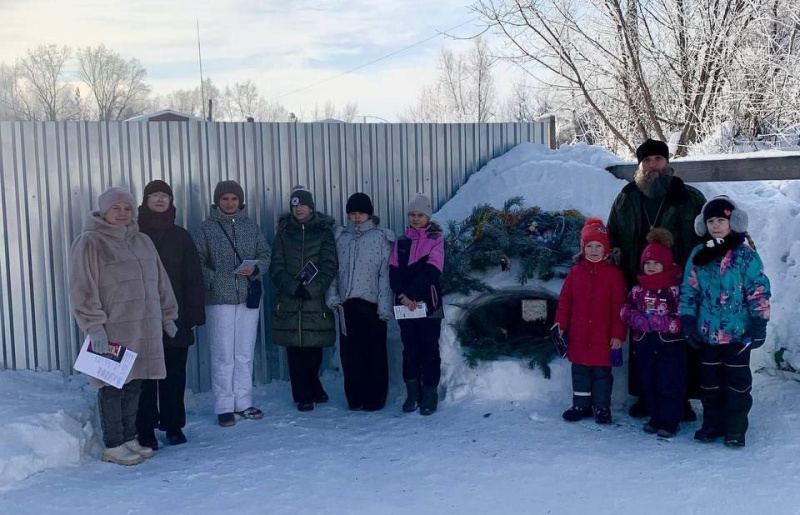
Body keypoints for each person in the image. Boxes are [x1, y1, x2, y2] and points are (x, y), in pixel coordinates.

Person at [69, 187, 178, 466]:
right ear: (104, 210)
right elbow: (83, 288)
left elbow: (160, 282)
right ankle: (114, 443)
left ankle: (130, 437)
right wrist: (94, 326)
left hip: (145, 328)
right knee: (112, 386)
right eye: (116, 208)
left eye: (127, 209)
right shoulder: (90, 242)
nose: (122, 214)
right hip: (113, 328)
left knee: (135, 385)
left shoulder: (142, 241)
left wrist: (168, 316)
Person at [607, 138, 706, 420]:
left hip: (679, 284)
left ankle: (682, 399)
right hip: (639, 283)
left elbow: (707, 233)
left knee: (678, 345)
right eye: (647, 161)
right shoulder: (627, 197)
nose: (653, 166)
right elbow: (613, 231)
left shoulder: (689, 196)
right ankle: (644, 397)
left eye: (658, 160)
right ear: (640, 165)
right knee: (643, 343)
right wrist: (615, 255)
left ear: (667, 163)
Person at [680, 196, 770, 447]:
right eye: (710, 220)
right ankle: (712, 424)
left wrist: (759, 323)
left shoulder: (745, 256)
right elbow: (690, 289)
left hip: (738, 334)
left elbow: (758, 290)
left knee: (737, 384)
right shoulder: (699, 254)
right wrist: (687, 320)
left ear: (734, 221)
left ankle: (735, 428)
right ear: (703, 224)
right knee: (709, 384)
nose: (716, 225)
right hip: (707, 333)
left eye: (722, 219)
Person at [194, 180, 271, 427]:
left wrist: (256, 269)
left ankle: (243, 402)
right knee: (223, 354)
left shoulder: (251, 226)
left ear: (240, 201)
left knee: (244, 353)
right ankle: (224, 406)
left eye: (234, 199)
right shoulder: (206, 228)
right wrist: (216, 280)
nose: (229, 203)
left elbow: (265, 254)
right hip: (219, 299)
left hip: (248, 297)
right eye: (225, 198)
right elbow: (197, 260)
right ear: (217, 201)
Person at [135, 180, 205, 448]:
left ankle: (173, 425)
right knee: (145, 375)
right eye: (154, 196)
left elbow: (193, 278)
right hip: (143, 318)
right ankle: (146, 429)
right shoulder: (135, 235)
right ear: (146, 201)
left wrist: (194, 316)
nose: (160, 200)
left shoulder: (181, 236)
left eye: (165, 196)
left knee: (174, 374)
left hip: (177, 317)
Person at [270, 186, 339, 412]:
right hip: (290, 299)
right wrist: (291, 286)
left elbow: (330, 264)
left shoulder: (323, 232)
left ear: (311, 207)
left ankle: (314, 385)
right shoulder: (283, 233)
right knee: (295, 349)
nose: (298, 209)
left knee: (313, 347)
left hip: (314, 299)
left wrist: (314, 288)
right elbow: (276, 266)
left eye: (303, 205)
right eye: (295, 205)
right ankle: (303, 395)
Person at [554, 217, 627, 425]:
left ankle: (602, 407)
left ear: (606, 249)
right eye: (589, 246)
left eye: (598, 246)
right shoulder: (575, 272)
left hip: (603, 337)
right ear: (583, 248)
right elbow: (565, 300)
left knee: (602, 375)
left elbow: (619, 307)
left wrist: (617, 334)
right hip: (579, 335)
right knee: (580, 372)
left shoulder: (614, 274)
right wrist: (561, 325)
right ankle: (581, 405)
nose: (594, 250)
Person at [327, 193, 395, 411]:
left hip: (372, 304)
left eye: (361, 213)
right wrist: (334, 297)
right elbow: (333, 271)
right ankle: (355, 398)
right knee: (351, 354)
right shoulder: (341, 238)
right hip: (347, 304)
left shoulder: (381, 238)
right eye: (353, 213)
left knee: (374, 353)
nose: (357, 217)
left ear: (369, 214)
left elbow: (385, 275)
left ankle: (375, 399)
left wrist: (384, 307)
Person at [620, 229, 685, 438]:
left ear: (665, 263)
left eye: (656, 263)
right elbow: (625, 309)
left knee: (668, 382)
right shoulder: (638, 289)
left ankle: (670, 421)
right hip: (645, 342)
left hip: (669, 344)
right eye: (647, 263)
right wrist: (634, 318)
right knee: (648, 380)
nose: (651, 267)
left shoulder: (674, 289)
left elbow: (683, 316)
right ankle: (655, 417)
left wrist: (665, 322)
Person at [389, 193, 445, 416]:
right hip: (405, 306)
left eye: (420, 214)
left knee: (429, 349)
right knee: (410, 350)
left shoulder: (436, 239)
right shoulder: (401, 242)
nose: (415, 218)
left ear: (428, 216)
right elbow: (393, 272)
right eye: (412, 214)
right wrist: (403, 296)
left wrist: (411, 295)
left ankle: (430, 395)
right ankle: (413, 394)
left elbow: (433, 270)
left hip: (428, 305)